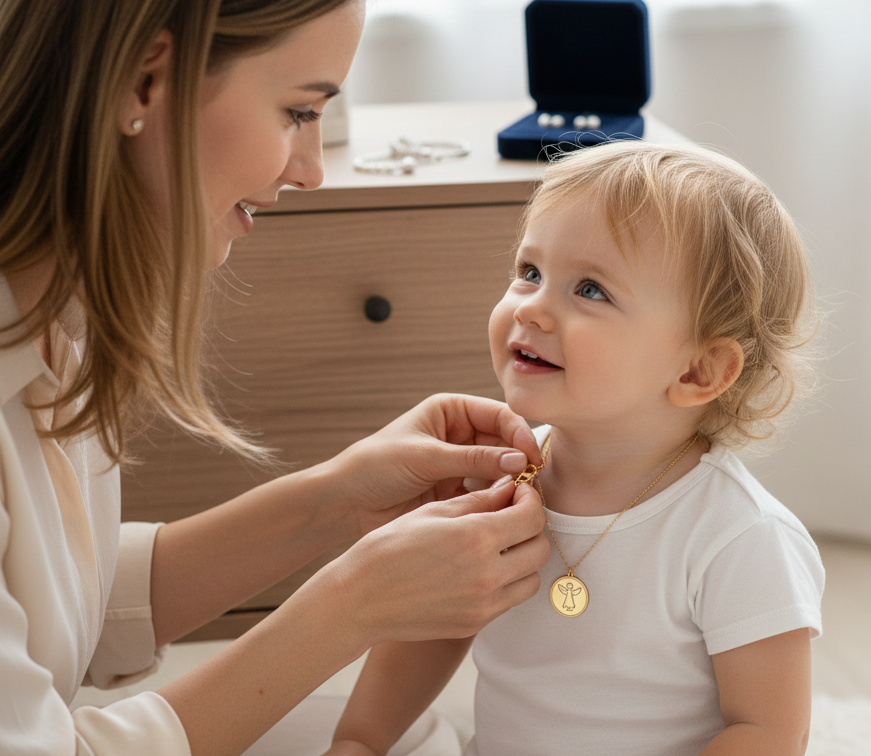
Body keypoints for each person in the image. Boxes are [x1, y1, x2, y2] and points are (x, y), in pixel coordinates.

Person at [0, 1, 552, 755]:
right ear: (143, 82)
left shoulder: (58, 314)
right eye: (297, 111)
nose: (313, 169)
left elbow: (57, 597)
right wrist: (352, 605)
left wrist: (334, 502)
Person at [326, 141, 827, 756]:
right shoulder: (501, 477)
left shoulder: (738, 536)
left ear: (698, 370)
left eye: (590, 290)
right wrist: (359, 741)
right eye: (530, 272)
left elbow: (769, 732)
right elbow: (433, 624)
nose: (531, 308)